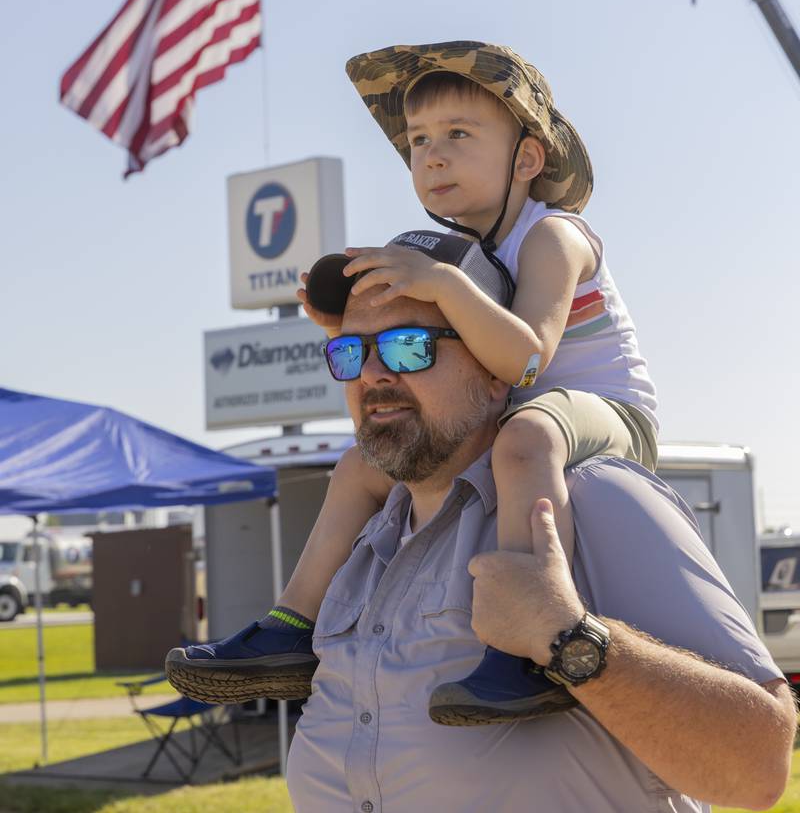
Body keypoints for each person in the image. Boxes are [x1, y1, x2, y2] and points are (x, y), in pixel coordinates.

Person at [166, 41, 661, 723]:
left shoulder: (553, 238)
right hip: (526, 408)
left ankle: (530, 637)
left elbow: (522, 361)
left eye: (459, 134)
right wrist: (346, 319)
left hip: (609, 413)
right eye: (419, 140)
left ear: (527, 158)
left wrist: (443, 285)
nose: (431, 155)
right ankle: (293, 626)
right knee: (358, 465)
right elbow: (448, 351)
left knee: (524, 440)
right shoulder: (471, 253)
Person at [285, 251, 794, 813]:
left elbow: (759, 768)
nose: (373, 374)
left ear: (494, 369)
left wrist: (568, 638)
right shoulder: (364, 542)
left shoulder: (597, 499)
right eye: (351, 351)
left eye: (410, 345)